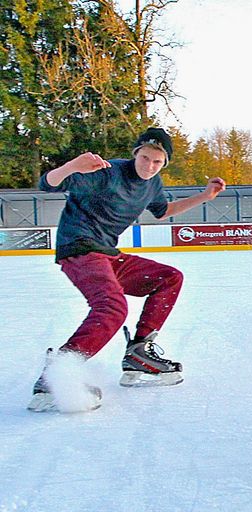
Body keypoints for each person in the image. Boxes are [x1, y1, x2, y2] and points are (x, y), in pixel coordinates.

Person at [28, 127, 227, 413]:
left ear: (164, 163)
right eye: (145, 158)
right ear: (135, 153)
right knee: (112, 307)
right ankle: (57, 372)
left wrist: (204, 197)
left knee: (169, 278)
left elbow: (163, 210)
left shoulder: (153, 184)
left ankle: (139, 353)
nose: (149, 166)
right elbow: (48, 184)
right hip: (80, 248)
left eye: (157, 162)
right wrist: (72, 166)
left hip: (108, 254)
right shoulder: (107, 173)